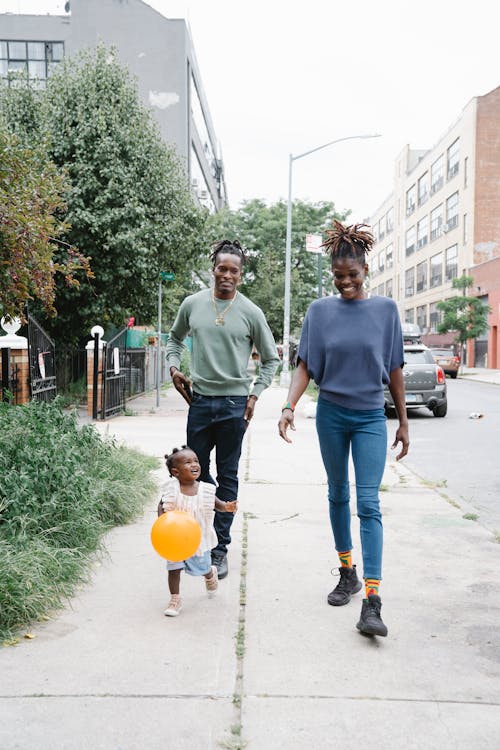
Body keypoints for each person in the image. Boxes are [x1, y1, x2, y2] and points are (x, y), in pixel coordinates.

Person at [278, 221, 409, 637]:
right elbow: (306, 367)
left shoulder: (386, 311)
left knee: (368, 503)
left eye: (352, 275)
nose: (346, 283)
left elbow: (394, 370)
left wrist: (404, 421)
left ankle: (372, 599)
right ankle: (347, 571)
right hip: (332, 414)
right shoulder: (319, 312)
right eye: (339, 277)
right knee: (337, 493)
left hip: (370, 415)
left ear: (365, 270)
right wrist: (288, 405)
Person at [166, 240, 280, 580]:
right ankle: (194, 538)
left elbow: (271, 360)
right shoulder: (193, 304)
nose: (226, 275)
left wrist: (255, 395)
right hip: (199, 401)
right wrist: (173, 369)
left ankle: (220, 549)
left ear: (240, 276)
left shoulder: (251, 312)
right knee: (192, 474)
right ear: (213, 269)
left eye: (233, 271)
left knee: (228, 474)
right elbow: (173, 340)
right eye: (221, 269)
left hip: (234, 405)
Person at [159, 446, 238, 617]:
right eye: (187, 462)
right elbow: (162, 505)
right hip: (175, 537)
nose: (194, 464)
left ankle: (210, 574)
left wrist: (226, 507)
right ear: (176, 472)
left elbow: (217, 504)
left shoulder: (206, 490)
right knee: (174, 567)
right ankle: (175, 599)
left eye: (195, 461)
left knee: (201, 566)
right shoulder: (171, 489)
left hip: (197, 538)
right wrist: (162, 522)